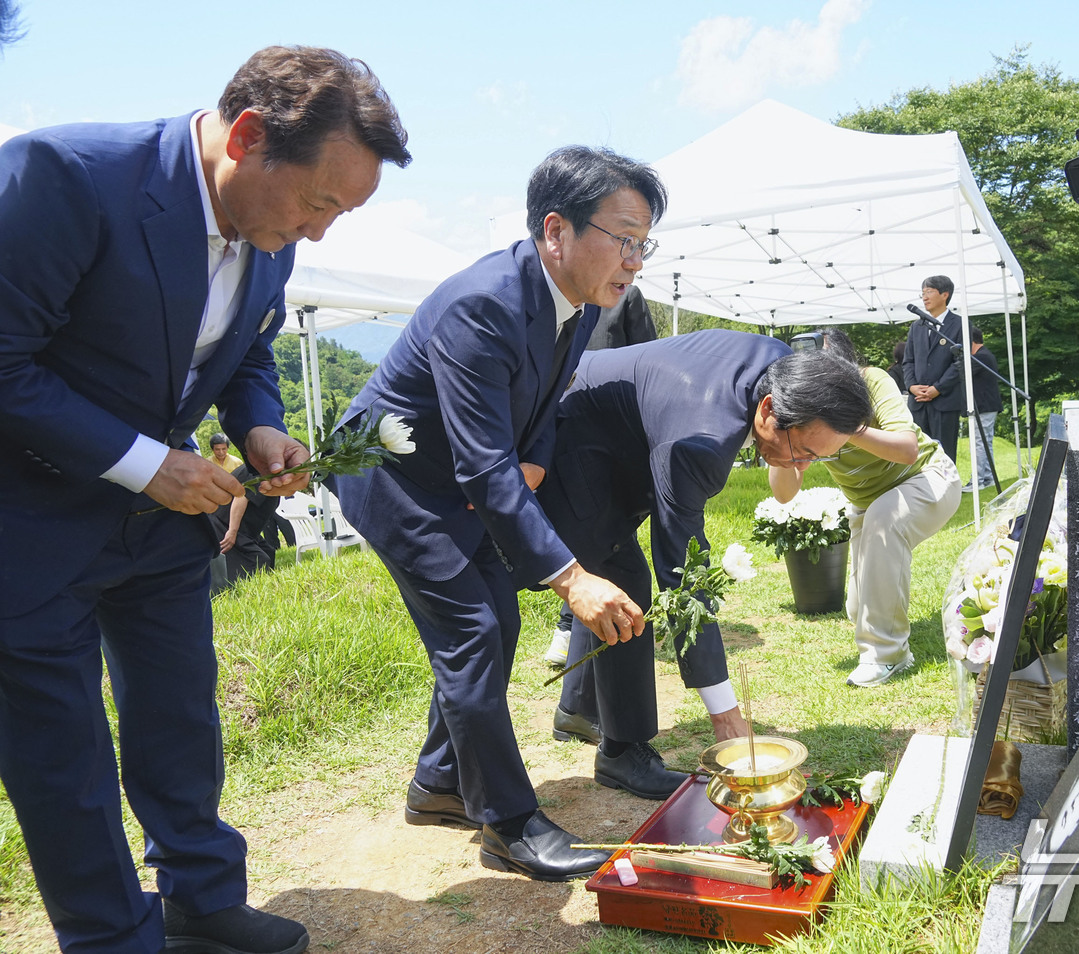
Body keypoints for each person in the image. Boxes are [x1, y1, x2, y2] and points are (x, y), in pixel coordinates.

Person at [0, 46, 409, 954]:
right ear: (250, 137)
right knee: (62, 753)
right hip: (28, 524)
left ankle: (201, 894)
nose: (321, 235)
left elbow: (247, 353)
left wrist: (260, 424)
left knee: (181, 716)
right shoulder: (64, 177)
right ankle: (111, 936)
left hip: (160, 525)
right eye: (318, 203)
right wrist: (147, 462)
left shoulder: (267, 244)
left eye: (341, 214)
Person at [330, 146, 666, 883]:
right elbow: (483, 465)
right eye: (624, 237)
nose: (635, 259)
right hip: (388, 474)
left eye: (644, 243)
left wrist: (537, 458)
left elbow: (544, 404)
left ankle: (439, 785)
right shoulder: (482, 303)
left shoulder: (580, 301)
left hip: (451, 474)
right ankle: (509, 823)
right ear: (557, 229)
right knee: (473, 632)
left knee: (499, 622)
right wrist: (571, 578)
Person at [539, 331, 872, 789]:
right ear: (769, 410)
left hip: (624, 423)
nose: (801, 467)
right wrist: (726, 716)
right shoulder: (700, 443)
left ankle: (577, 709)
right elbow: (684, 578)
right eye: (804, 452)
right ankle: (621, 752)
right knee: (625, 576)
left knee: (612, 568)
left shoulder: (785, 368)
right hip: (570, 430)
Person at [770, 329, 960, 687]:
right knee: (861, 608)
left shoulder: (872, 381)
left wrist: (848, 426)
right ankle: (881, 639)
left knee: (884, 519)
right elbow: (784, 494)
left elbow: (907, 449)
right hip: (868, 504)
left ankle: (889, 656)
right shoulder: (802, 405)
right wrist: (783, 445)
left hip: (928, 478)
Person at [543, 283, 659, 668]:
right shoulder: (547, 298)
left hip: (611, 436)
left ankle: (572, 634)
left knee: (610, 541)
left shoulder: (625, 299)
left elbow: (648, 363)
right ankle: (570, 625)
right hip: (558, 431)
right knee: (590, 537)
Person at [902, 275, 964, 465]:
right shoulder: (917, 326)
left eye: (929, 292)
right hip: (918, 402)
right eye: (922, 293)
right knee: (920, 454)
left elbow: (960, 363)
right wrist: (912, 386)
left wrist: (937, 388)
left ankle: (946, 492)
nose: (924, 297)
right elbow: (908, 361)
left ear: (945, 295)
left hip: (944, 402)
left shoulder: (960, 324)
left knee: (944, 455)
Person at [209, 464, 282, 593]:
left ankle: (267, 592)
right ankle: (245, 595)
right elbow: (241, 497)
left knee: (268, 552)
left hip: (245, 531)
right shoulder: (258, 470)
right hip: (224, 526)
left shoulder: (266, 470)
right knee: (258, 561)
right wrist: (232, 531)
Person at [964, 327, 1004, 493]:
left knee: (979, 442)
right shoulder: (986, 355)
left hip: (984, 406)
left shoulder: (980, 358)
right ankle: (987, 476)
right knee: (985, 441)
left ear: (971, 341)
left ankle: (978, 480)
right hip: (988, 406)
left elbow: (962, 372)